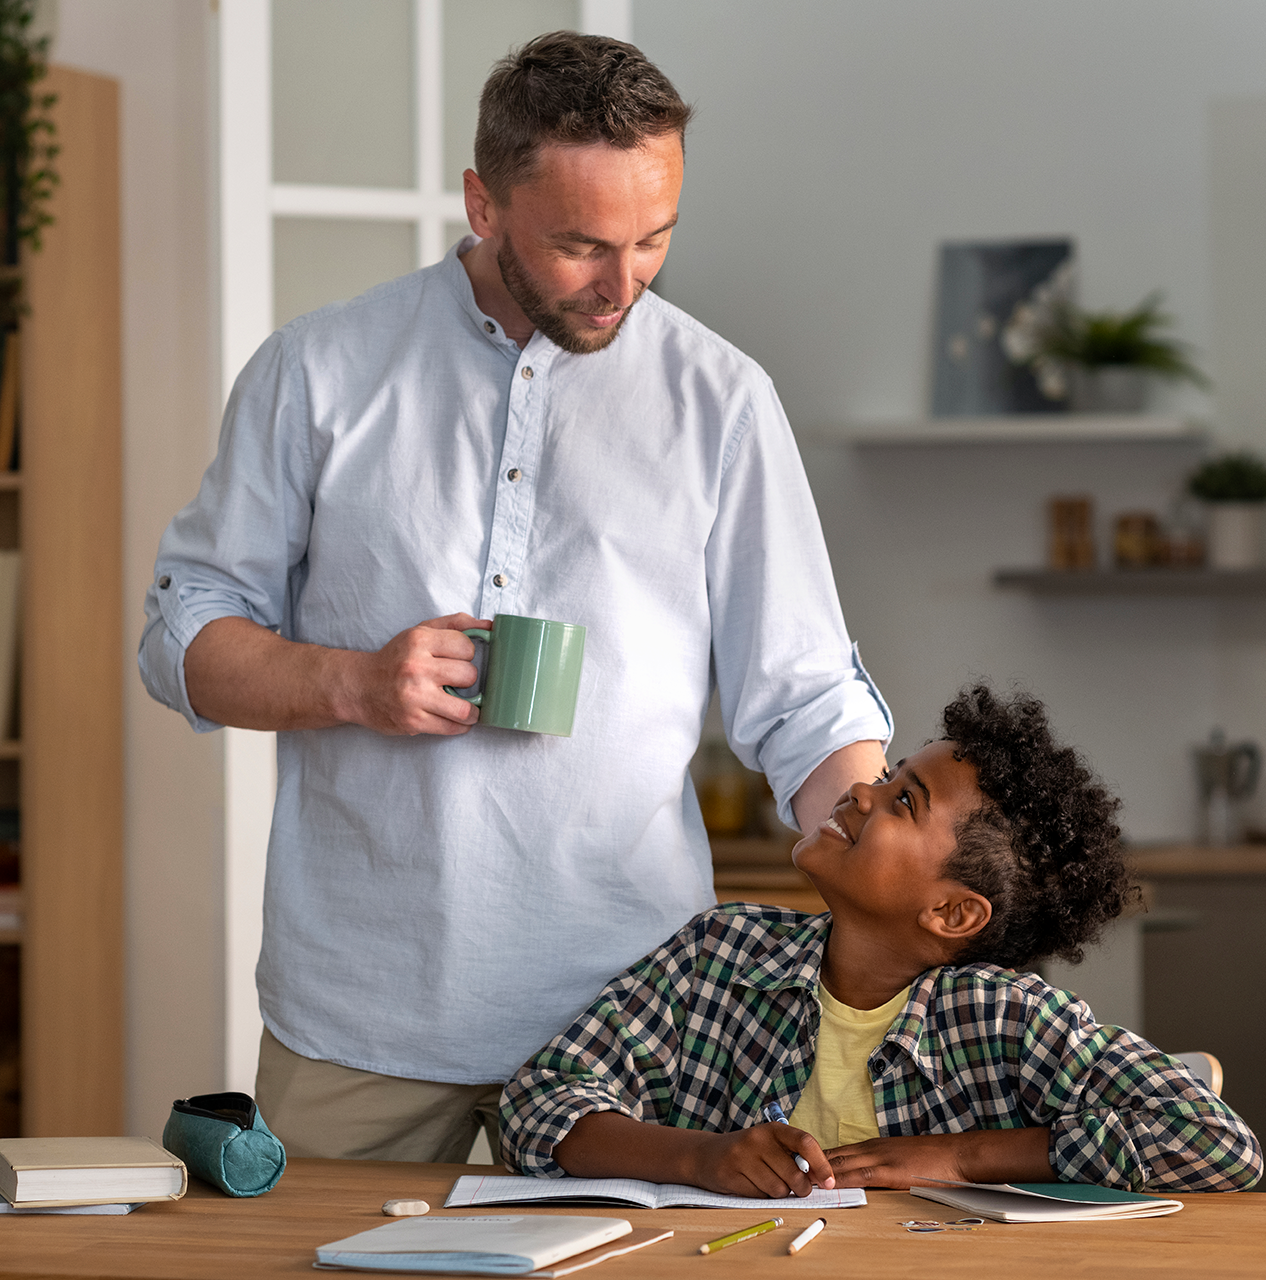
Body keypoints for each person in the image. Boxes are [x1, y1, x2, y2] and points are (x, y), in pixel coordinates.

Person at [137, 31, 890, 1163]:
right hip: (361, 1009)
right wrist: (351, 680)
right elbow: (179, 636)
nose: (624, 281)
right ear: (483, 204)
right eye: (583, 244)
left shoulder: (723, 399)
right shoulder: (317, 371)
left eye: (655, 239)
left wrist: (889, 866)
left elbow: (808, 695)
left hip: (641, 1020)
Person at [500, 684, 1263, 1194]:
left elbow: (1212, 1140)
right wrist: (699, 1156)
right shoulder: (720, 955)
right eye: (888, 775)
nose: (861, 790)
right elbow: (539, 1101)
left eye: (902, 801)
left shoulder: (1007, 1019)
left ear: (953, 914)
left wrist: (962, 1157)